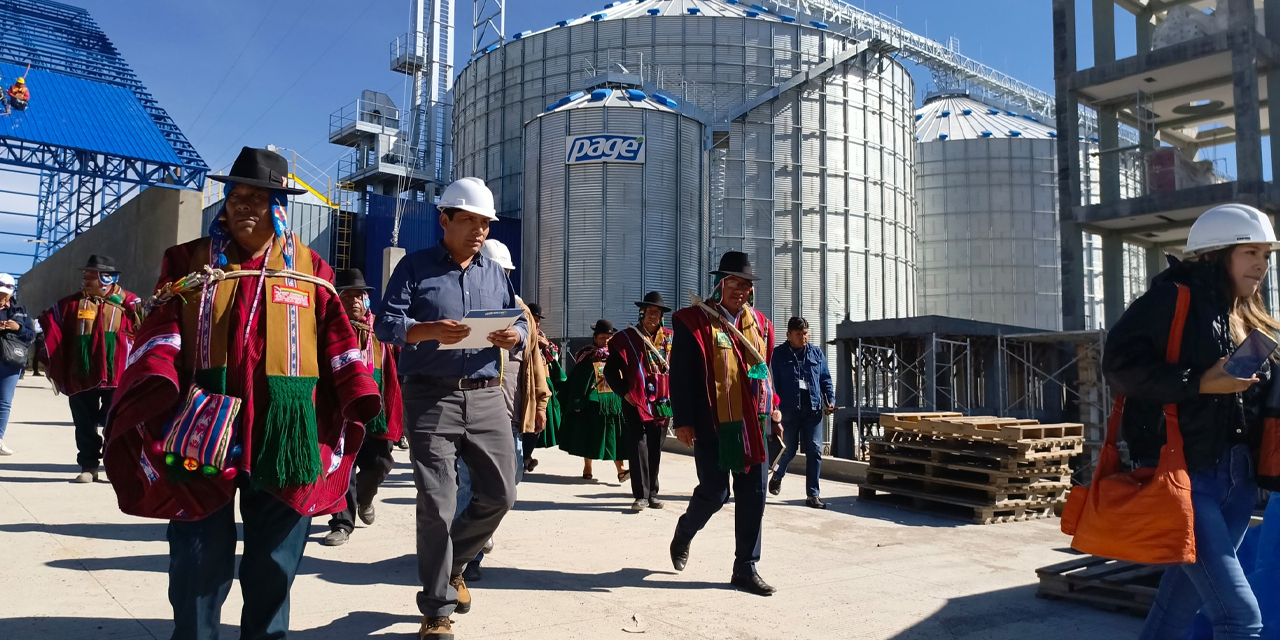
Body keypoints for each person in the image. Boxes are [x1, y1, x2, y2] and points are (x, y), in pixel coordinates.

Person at [101, 147, 381, 640]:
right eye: (239, 195)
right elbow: (161, 332)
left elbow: (338, 338)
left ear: (280, 205)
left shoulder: (312, 269)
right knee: (196, 557)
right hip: (201, 427)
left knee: (275, 562)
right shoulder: (188, 261)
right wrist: (157, 399)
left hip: (286, 430)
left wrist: (356, 396)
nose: (247, 204)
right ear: (225, 202)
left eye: (261, 196)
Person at [1104, 203, 1279, 640]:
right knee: (1240, 617)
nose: (1261, 264)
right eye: (1250, 252)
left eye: (1267, 255)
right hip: (1185, 477)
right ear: (1216, 253)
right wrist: (1200, 382)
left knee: (1177, 608)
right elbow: (1120, 367)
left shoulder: (1248, 315)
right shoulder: (1171, 298)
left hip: (1238, 480)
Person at [374, 176, 526, 640]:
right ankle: (437, 609)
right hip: (430, 396)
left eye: (485, 223)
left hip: (485, 394)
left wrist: (512, 335)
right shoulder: (415, 268)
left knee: (502, 494)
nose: (479, 230)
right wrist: (428, 330)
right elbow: (386, 325)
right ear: (445, 220)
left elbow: (517, 321)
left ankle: (454, 563)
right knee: (437, 503)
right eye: (471, 221)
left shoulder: (495, 273)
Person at [668, 250, 781, 597]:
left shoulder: (761, 325)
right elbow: (680, 375)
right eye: (734, 282)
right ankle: (685, 532)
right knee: (715, 494)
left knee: (755, 496)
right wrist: (683, 420)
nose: (741, 290)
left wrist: (774, 408)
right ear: (720, 283)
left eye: (746, 284)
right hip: (712, 424)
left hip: (754, 425)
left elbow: (765, 370)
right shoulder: (693, 321)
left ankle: (745, 568)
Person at [452, 239, 549, 580]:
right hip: (475, 410)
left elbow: (534, 362)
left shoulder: (523, 316)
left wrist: (540, 403)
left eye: (505, 273)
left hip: (511, 417)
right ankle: (466, 561)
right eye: (497, 271)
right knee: (468, 482)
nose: (501, 277)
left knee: (510, 482)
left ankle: (481, 526)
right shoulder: (469, 306)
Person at [40, 254, 140, 483]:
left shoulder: (130, 302)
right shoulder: (71, 304)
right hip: (81, 372)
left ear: (107, 278)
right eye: (85, 275)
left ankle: (116, 464)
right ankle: (88, 465)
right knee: (83, 422)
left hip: (118, 374)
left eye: (91, 275)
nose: (85, 279)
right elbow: (51, 324)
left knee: (115, 419)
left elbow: (149, 326)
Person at [324, 268, 403, 547]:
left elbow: (401, 362)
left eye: (360, 296)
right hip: (343, 412)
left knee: (380, 464)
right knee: (344, 467)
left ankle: (366, 498)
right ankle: (342, 523)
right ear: (337, 300)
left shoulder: (379, 330)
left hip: (377, 413)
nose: (356, 301)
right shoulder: (329, 329)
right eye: (348, 296)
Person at [604, 291, 673, 512]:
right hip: (635, 401)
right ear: (642, 313)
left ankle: (653, 492)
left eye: (658, 312)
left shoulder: (671, 340)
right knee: (638, 446)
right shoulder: (626, 339)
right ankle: (641, 495)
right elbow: (610, 370)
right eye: (650, 311)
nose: (654, 316)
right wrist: (624, 392)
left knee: (656, 447)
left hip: (662, 403)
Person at [768, 316, 835, 509]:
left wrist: (830, 399)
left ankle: (813, 495)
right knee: (786, 451)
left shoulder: (816, 354)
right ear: (788, 335)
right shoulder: (778, 355)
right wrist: (775, 410)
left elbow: (825, 380)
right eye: (798, 334)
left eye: (805, 334)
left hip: (812, 410)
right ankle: (778, 475)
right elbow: (773, 385)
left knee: (814, 452)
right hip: (788, 411)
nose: (803, 338)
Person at [559, 319, 630, 482]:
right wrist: (577, 401)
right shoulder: (587, 356)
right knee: (589, 435)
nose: (605, 341)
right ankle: (588, 467)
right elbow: (578, 380)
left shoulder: (618, 356)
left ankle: (621, 470)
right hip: (593, 403)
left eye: (609, 338)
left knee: (614, 436)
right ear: (595, 337)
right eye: (602, 337)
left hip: (614, 402)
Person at [522, 302, 565, 473]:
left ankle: (526, 456)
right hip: (523, 384)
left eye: (538, 319)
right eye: (534, 318)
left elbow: (553, 356)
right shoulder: (519, 334)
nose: (536, 322)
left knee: (537, 424)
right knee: (523, 422)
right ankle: (524, 457)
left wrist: (545, 345)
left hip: (541, 384)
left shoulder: (541, 337)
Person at [0, 273, 34, 455]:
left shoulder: (21, 309)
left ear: (11, 293)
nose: (1, 297)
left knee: (4, 401)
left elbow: (30, 335)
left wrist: (17, 328)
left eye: (4, 294)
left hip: (11, 360)